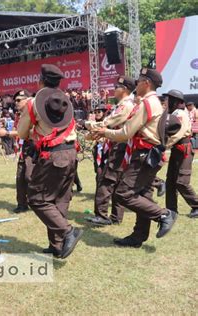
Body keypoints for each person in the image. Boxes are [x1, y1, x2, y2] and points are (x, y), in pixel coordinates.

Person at [93, 68, 177, 248]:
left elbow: (126, 132)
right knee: (143, 195)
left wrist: (104, 132)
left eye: (138, 81)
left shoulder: (147, 103)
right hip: (148, 155)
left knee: (124, 193)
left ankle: (163, 215)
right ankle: (138, 236)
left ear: (146, 83)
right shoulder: (154, 102)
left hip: (144, 155)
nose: (136, 85)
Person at [17, 64, 83, 259]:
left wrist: (33, 131)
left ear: (40, 81)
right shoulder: (66, 101)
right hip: (70, 152)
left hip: (52, 154)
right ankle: (57, 245)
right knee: (59, 199)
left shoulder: (34, 102)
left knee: (37, 198)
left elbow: (22, 133)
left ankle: (67, 232)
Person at [85, 75, 135, 225]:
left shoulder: (125, 105)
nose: (114, 90)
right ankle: (115, 217)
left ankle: (102, 215)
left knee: (107, 179)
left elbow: (109, 122)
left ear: (125, 89)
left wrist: (88, 124)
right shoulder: (125, 104)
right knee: (117, 181)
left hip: (120, 144)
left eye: (116, 87)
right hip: (121, 144)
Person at [162, 90, 198, 218]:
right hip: (177, 150)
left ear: (176, 101)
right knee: (170, 181)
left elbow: (179, 134)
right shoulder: (174, 113)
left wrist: (164, 145)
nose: (167, 102)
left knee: (181, 181)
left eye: (169, 99)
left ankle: (196, 205)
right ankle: (171, 209)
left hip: (184, 149)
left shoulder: (180, 114)